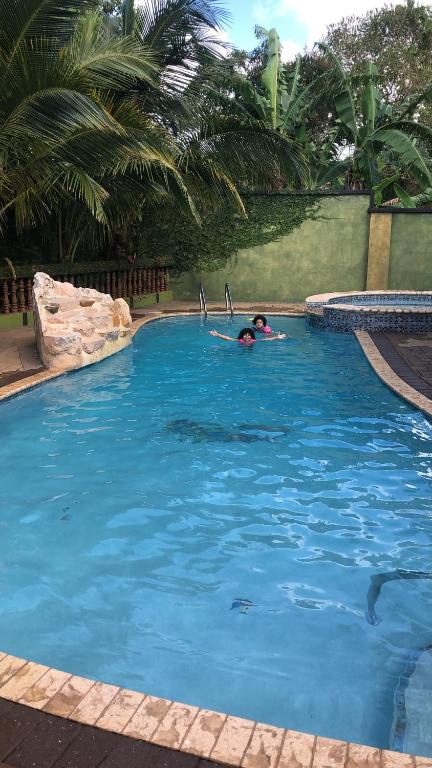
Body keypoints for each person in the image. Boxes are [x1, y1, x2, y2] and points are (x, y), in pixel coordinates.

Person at [209, 327, 286, 345]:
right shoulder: (239, 340)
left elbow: (265, 340)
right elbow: (228, 339)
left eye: (249, 335)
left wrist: (277, 337)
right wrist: (218, 334)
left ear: (251, 336)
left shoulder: (253, 341)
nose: (246, 337)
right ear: (242, 336)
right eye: (245, 335)